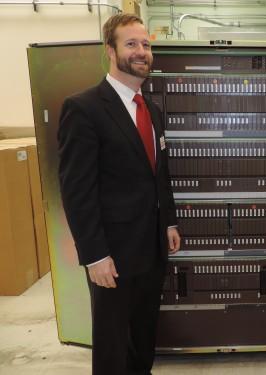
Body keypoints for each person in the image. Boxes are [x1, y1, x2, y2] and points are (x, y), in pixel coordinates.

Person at [58, 13, 180, 375]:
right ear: (110, 51)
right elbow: (76, 189)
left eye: (146, 44)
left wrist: (169, 222)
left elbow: (159, 175)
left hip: (152, 248)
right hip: (112, 254)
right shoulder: (84, 108)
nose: (141, 51)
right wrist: (95, 255)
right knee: (112, 344)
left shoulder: (152, 110)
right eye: (131, 44)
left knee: (143, 336)